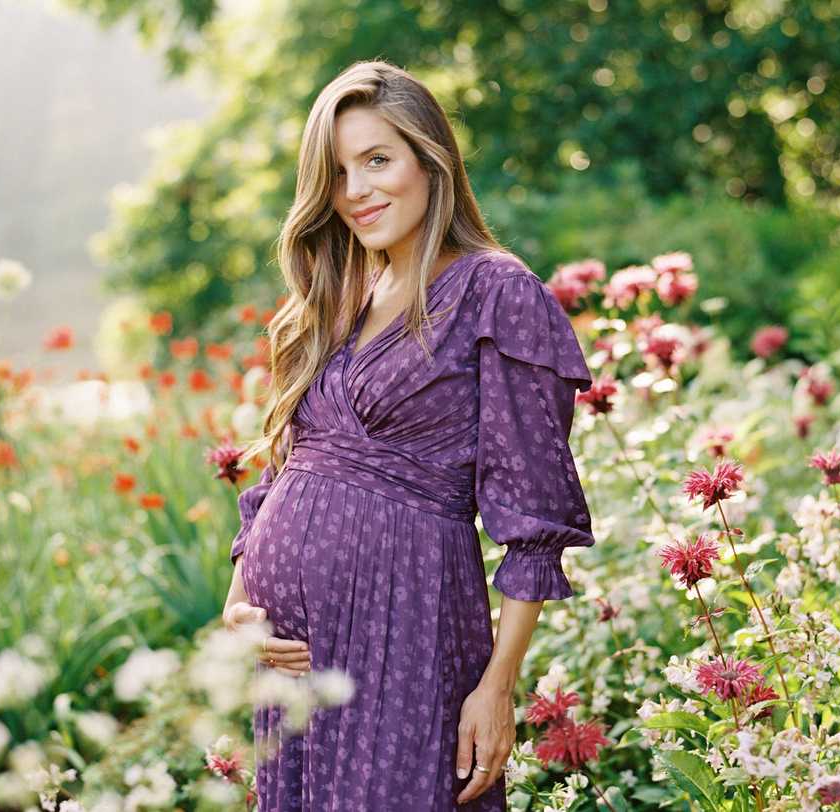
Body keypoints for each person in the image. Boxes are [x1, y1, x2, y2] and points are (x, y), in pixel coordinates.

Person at [222, 61, 595, 812]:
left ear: (432, 161)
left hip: (410, 631)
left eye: (377, 160)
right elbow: (287, 471)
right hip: (294, 665)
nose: (355, 190)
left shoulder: (497, 292)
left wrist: (496, 688)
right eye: (336, 172)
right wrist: (239, 607)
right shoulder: (334, 294)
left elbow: (532, 523)